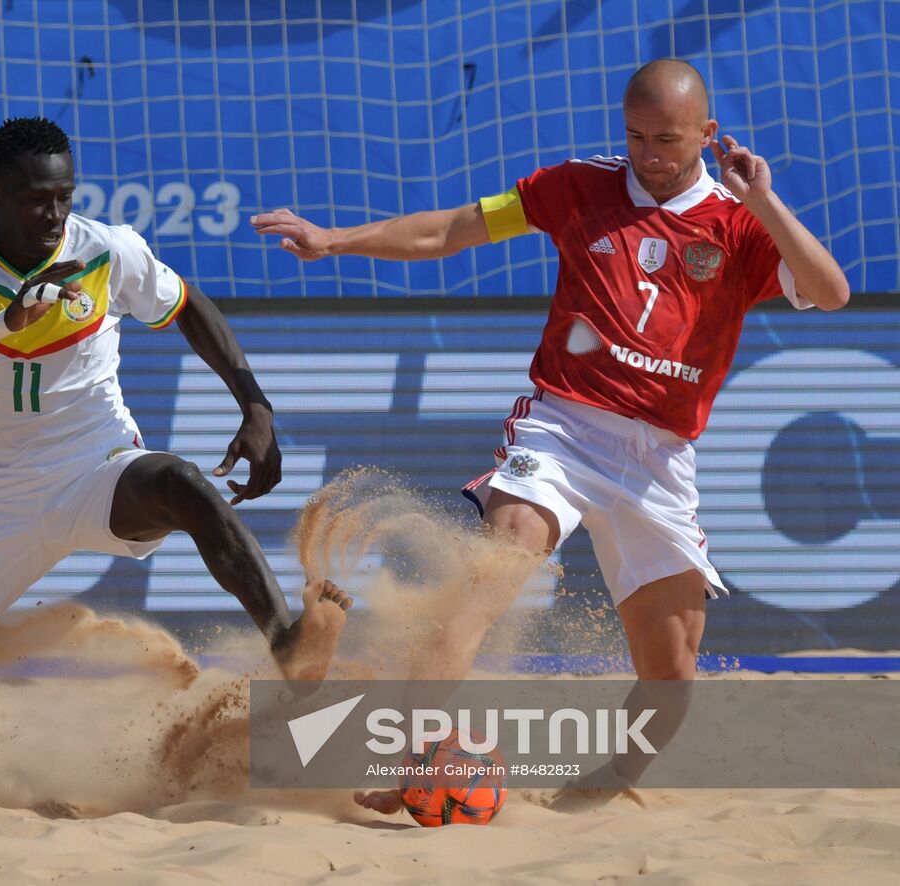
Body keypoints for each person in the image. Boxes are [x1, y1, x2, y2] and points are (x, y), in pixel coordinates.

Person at [252, 58, 849, 808]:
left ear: (709, 133)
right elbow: (450, 230)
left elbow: (831, 293)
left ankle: (598, 792)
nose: (649, 154)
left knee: (671, 672)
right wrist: (335, 240)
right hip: (563, 431)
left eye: (667, 138)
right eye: (635, 135)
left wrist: (763, 201)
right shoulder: (577, 186)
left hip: (660, 460)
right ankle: (410, 760)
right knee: (487, 578)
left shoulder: (739, 224)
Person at [0, 117, 351, 730]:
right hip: (2, 499)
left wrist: (255, 406)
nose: (55, 215)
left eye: (65, 197)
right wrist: (2, 323)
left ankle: (291, 650)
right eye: (36, 200)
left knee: (182, 483)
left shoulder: (104, 247)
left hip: (99, 463)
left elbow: (189, 305)